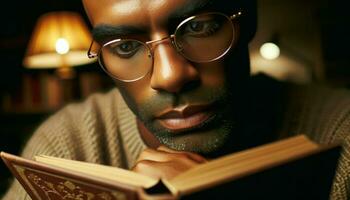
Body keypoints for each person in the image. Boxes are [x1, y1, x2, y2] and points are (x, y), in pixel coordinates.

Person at [2, 0, 350, 199]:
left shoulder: (342, 134)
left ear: (249, 19)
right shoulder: (64, 147)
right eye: (125, 47)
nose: (170, 76)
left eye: (198, 27)